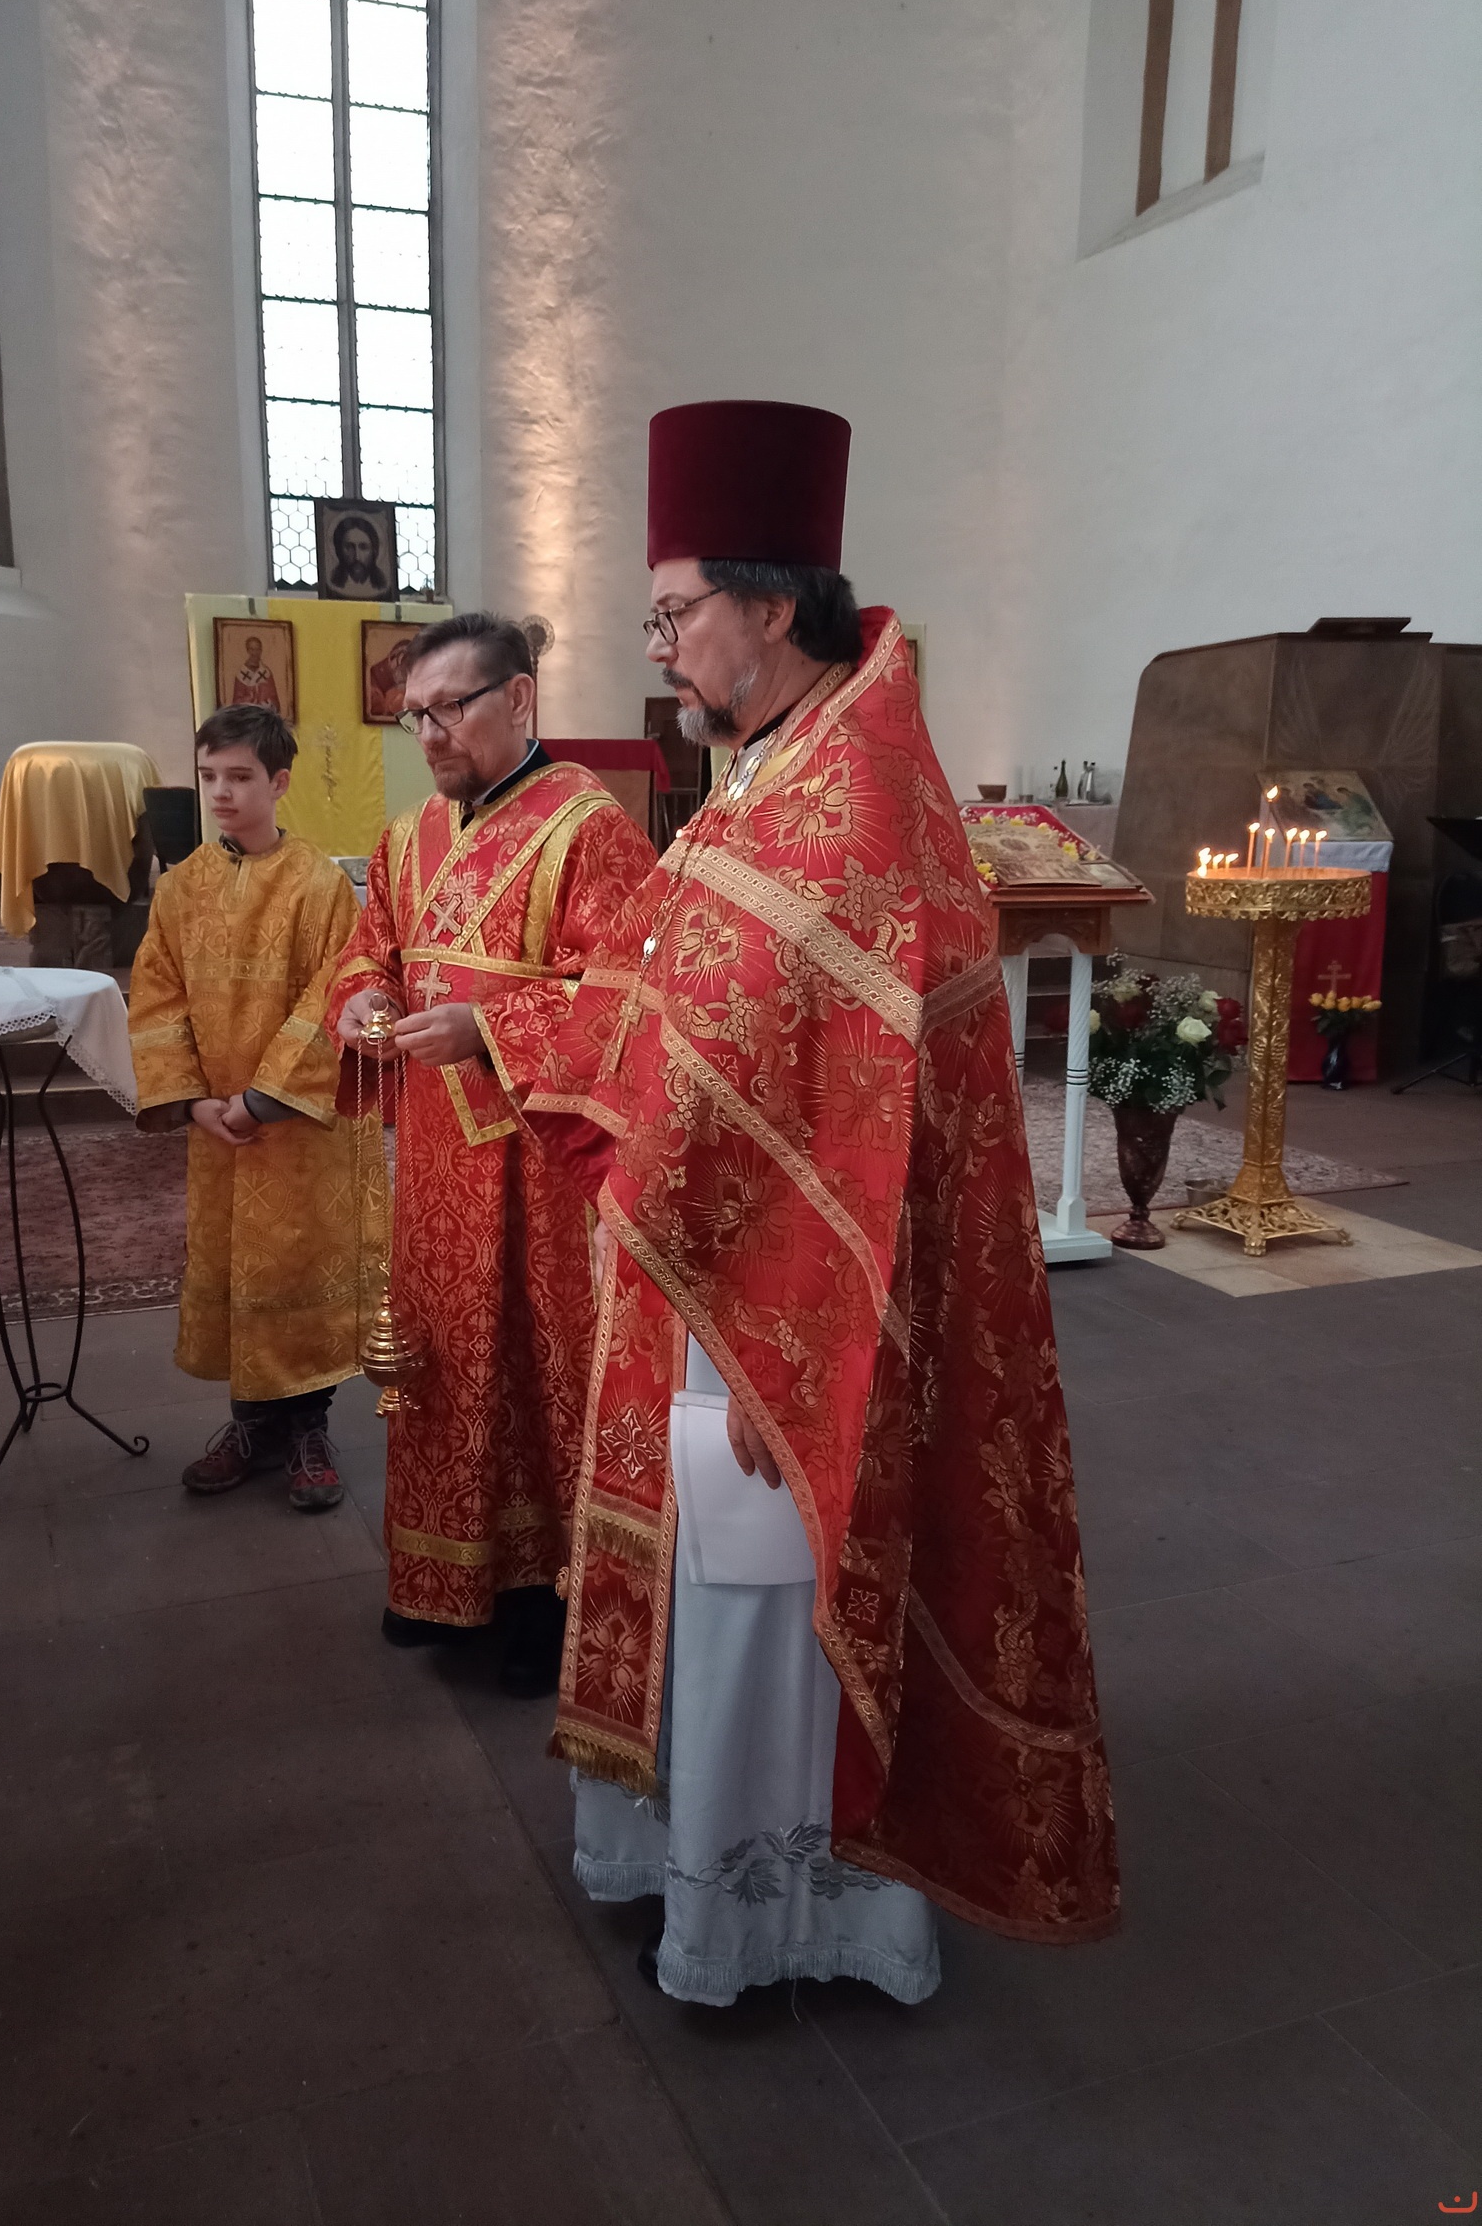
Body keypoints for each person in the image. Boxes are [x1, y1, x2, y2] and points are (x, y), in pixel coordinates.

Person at [519, 400, 1120, 2003]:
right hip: (706, 1269)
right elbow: (665, 987)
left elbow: (821, 1094)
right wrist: (513, 1031)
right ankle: (693, 1867)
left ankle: (780, 1916)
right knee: (715, 1590)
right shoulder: (764, 769)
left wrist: (778, 1343)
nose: (662, 649)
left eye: (675, 614)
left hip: (793, 1306)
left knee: (771, 1599)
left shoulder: (856, 797)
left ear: (774, 609)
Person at [330, 613, 657, 1694]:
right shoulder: (407, 835)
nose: (429, 734)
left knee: (530, 1363)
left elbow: (628, 994)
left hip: (538, 1166)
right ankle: (441, 1585)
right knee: (441, 1359)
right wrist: (360, 998)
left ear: (518, 699)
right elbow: (369, 950)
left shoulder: (587, 827)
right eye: (414, 715)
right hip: (434, 1157)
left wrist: (489, 1026)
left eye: (450, 708)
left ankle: (540, 1603)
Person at [129, 703, 376, 1510]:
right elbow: (157, 995)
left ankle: (308, 1428)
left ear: (280, 782)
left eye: (240, 777)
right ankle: (250, 1427)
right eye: (209, 777)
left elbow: (334, 992)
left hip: (296, 1127)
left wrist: (264, 1099)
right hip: (218, 1126)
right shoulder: (181, 888)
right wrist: (194, 1101)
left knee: (297, 1263)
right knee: (237, 1265)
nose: (221, 793)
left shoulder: (318, 884)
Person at [329, 515, 388, 596]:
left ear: (374, 550)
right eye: (349, 547)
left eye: (363, 547)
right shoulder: (333, 584)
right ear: (339, 550)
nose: (357, 557)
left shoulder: (381, 586)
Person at [229, 635, 281, 711]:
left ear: (261, 650)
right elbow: (236, 703)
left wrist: (269, 703)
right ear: (247, 650)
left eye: (258, 649)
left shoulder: (266, 673)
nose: (255, 653)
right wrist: (249, 698)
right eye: (252, 649)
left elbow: (275, 700)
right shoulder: (241, 674)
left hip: (264, 714)